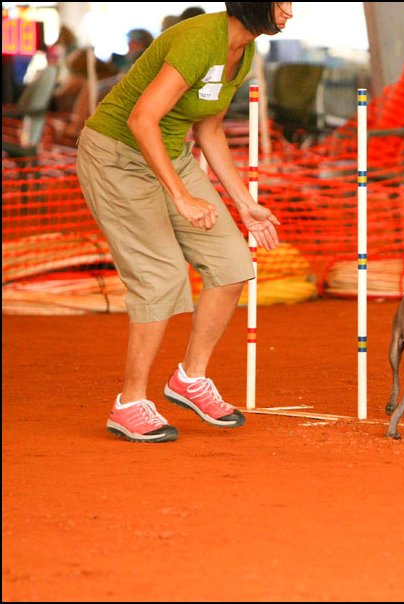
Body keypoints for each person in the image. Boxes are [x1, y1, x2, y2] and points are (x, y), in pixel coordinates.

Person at [76, 2, 292, 443]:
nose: (290, 12)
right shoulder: (199, 39)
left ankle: (189, 380)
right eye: (283, 2)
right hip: (117, 158)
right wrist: (181, 195)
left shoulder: (244, 50)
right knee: (161, 277)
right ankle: (130, 403)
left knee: (233, 264)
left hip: (170, 153)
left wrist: (245, 204)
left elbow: (208, 131)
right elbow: (141, 119)